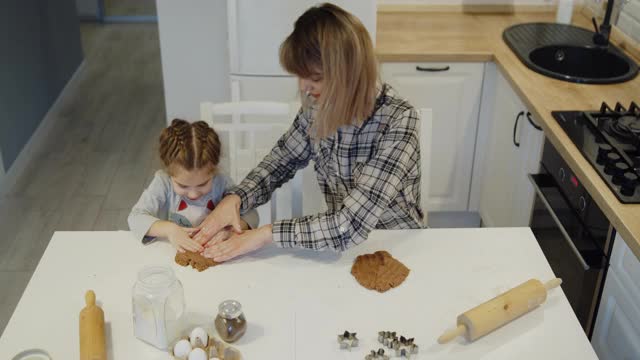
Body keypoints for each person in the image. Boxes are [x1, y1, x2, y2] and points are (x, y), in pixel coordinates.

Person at [194, 3, 423, 262]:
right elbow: (281, 160)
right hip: (343, 250)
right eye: (301, 76)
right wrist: (236, 198)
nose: (304, 87)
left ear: (349, 74)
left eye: (314, 77)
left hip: (397, 246)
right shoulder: (317, 106)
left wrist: (267, 233)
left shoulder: (399, 121)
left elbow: (349, 224)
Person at [128, 119, 258, 253]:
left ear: (214, 170)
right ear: (169, 172)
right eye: (183, 186)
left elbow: (252, 215)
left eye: (202, 184)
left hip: (215, 252)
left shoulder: (221, 182)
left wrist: (230, 231)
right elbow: (135, 218)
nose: (193, 194)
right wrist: (170, 230)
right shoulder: (163, 182)